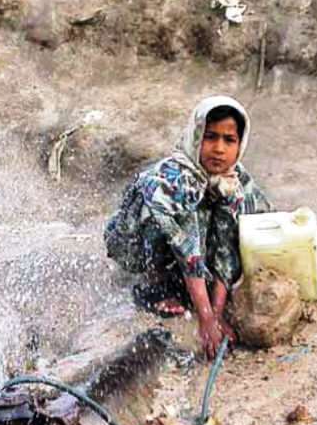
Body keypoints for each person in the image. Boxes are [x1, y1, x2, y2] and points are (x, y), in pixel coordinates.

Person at [104, 95, 273, 359]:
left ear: (240, 143)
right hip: (137, 244)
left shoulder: (235, 178)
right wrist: (205, 320)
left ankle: (192, 291)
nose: (219, 149)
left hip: (187, 246)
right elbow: (186, 246)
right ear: (196, 136)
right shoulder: (176, 176)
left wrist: (217, 312)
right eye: (210, 137)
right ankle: (158, 286)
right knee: (167, 218)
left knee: (236, 213)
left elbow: (230, 242)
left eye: (229, 140)